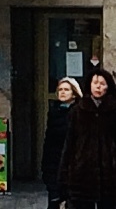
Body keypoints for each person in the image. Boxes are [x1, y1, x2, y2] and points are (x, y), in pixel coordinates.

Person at [59, 68, 116, 209]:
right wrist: (64, 176)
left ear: (108, 86)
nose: (98, 86)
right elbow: (69, 143)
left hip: (109, 173)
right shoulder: (78, 110)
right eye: (95, 83)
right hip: (82, 172)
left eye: (102, 83)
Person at [42, 76, 81, 208]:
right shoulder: (54, 112)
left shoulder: (79, 113)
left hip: (73, 167)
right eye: (60, 90)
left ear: (74, 94)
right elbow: (49, 143)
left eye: (67, 90)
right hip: (54, 163)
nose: (63, 92)